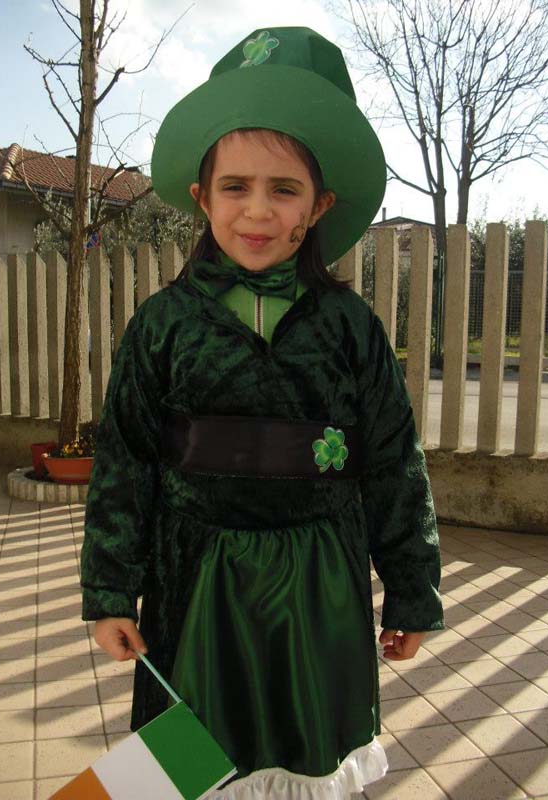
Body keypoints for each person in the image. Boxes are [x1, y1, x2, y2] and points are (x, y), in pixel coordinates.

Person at [80, 26, 444, 799]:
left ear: (319, 205)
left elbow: (392, 461)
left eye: (283, 190)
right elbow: (124, 463)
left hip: (318, 588)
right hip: (194, 587)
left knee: (305, 756)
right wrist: (110, 591)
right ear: (201, 196)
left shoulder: (350, 328)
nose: (257, 211)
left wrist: (413, 588)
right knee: (188, 763)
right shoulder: (162, 325)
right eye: (235, 186)